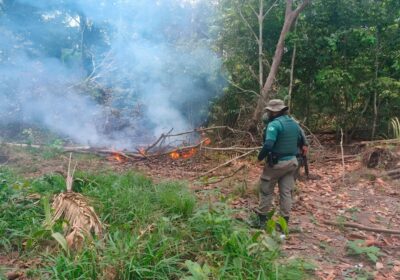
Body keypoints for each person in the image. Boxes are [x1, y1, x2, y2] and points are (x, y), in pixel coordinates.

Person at [257, 99, 307, 228]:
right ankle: (283, 223)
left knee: (266, 190)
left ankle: (262, 221)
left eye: (269, 111)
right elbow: (302, 140)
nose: (267, 113)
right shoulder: (294, 123)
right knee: (286, 193)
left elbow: (268, 144)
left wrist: (259, 157)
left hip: (277, 163)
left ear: (274, 112)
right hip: (292, 163)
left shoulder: (274, 125)